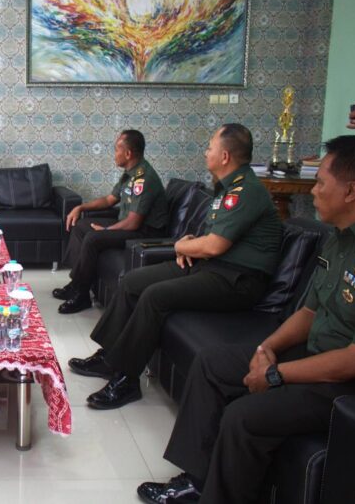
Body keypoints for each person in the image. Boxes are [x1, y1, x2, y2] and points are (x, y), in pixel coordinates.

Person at [137, 135, 355, 504]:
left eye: (320, 183)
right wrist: (267, 349)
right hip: (315, 352)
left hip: (350, 383)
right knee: (212, 362)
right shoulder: (339, 239)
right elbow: (309, 311)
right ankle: (195, 481)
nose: (314, 191)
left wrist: (276, 374)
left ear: (351, 191)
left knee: (243, 416)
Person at [68, 123, 283, 410]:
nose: (205, 152)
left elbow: (214, 246)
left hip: (237, 280)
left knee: (154, 296)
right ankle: (108, 358)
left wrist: (182, 247)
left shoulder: (246, 191)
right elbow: (212, 238)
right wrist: (190, 244)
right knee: (132, 281)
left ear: (225, 156)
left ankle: (126, 380)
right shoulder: (227, 189)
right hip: (211, 266)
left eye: (210, 147)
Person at [53, 130, 168, 314]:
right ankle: (76, 284)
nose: (114, 154)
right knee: (81, 225)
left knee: (93, 238)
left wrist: (106, 230)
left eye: (116, 150)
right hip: (130, 224)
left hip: (146, 233)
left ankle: (81, 296)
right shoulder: (129, 174)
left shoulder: (144, 179)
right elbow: (109, 200)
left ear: (128, 153)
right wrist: (81, 208)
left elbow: (133, 223)